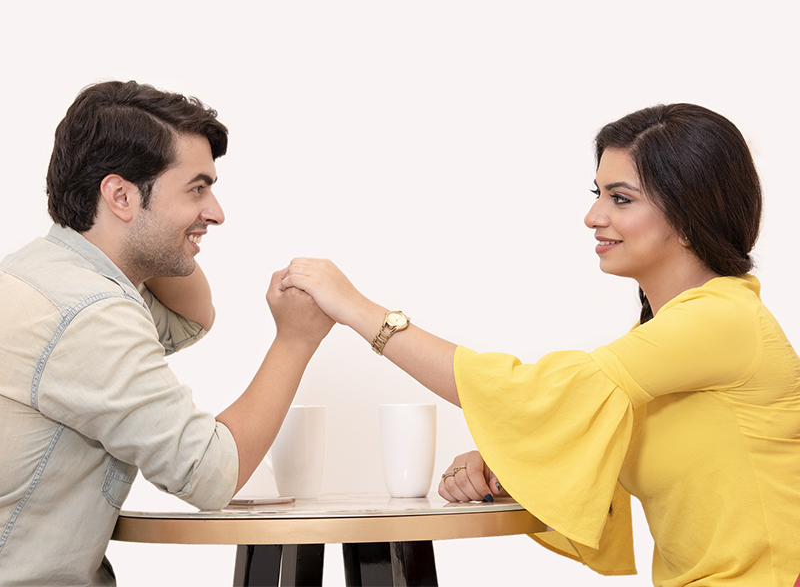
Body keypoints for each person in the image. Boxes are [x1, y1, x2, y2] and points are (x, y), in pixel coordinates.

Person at [278, 104, 800, 585]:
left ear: (690, 216)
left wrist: (355, 309)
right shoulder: (666, 337)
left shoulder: (722, 319)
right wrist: (507, 467)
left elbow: (534, 392)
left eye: (620, 198)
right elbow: (584, 438)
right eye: (596, 194)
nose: (594, 217)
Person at [0, 81, 333, 586]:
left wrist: (144, 236)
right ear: (121, 195)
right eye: (197, 188)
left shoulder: (45, 273)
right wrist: (296, 339)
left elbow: (193, 317)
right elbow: (212, 472)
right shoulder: (88, 313)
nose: (217, 212)